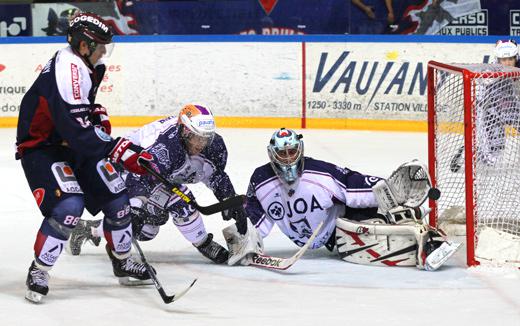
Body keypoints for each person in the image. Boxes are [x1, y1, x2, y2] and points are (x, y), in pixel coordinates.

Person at [16, 12, 155, 303]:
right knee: (69, 206)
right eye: (100, 45)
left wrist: (94, 115)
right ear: (83, 46)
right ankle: (40, 269)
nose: (104, 51)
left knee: (118, 198)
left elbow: (78, 119)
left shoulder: (88, 64)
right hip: (42, 147)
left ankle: (122, 260)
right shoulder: (67, 70)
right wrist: (117, 148)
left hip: (73, 142)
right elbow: (77, 132)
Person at [223, 128, 459, 271]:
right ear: (272, 154)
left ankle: (432, 241)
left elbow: (352, 184)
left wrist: (390, 191)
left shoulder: (320, 173)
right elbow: (256, 218)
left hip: (340, 227)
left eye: (292, 152)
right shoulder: (261, 180)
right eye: (282, 153)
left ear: (300, 150)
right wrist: (244, 239)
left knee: (382, 221)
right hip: (330, 245)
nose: (288, 159)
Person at [68, 104, 247, 264]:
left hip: (157, 174)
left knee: (147, 231)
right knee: (179, 203)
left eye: (205, 138)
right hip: (125, 170)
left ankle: (88, 229)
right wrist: (137, 207)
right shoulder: (166, 148)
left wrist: (228, 198)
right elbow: (141, 175)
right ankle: (204, 243)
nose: (201, 143)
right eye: (196, 137)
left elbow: (215, 174)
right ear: (184, 131)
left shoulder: (215, 146)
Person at [450, 39, 520, 172]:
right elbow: (481, 95)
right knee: (493, 157)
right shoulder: (491, 71)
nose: (507, 63)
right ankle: (470, 152)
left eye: (511, 59)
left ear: (516, 57)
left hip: (512, 107)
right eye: (503, 59)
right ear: (498, 59)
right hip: (491, 111)